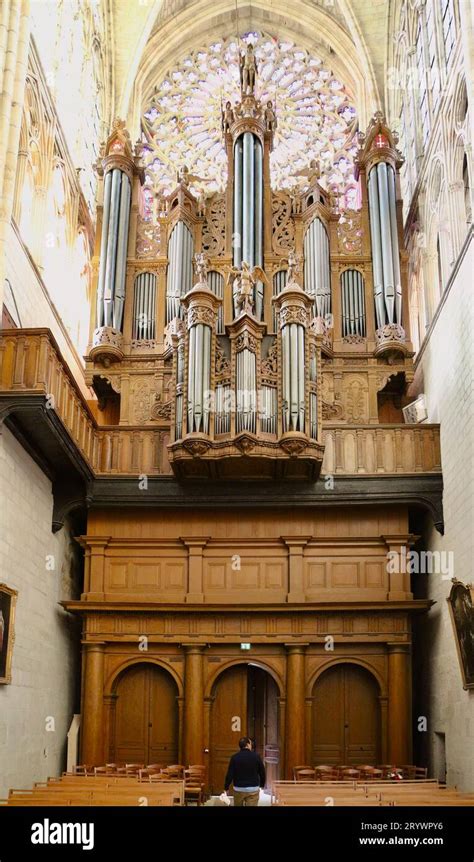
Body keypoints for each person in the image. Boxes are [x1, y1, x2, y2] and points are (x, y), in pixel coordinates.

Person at [223, 736, 266, 807]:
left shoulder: (235, 757)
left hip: (238, 788)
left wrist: (226, 787)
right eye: (250, 743)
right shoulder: (256, 756)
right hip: (253, 789)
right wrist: (262, 784)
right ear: (248, 744)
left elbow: (230, 774)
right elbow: (262, 772)